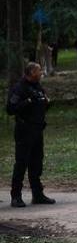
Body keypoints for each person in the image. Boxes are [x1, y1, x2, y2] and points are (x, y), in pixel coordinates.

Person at [6, 62, 55, 207]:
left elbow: (40, 105)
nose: (41, 73)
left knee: (36, 163)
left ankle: (37, 194)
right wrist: (27, 102)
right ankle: (16, 196)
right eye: (39, 71)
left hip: (37, 130)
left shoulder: (37, 87)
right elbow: (10, 109)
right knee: (21, 163)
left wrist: (46, 103)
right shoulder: (19, 88)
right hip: (24, 130)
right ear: (31, 72)